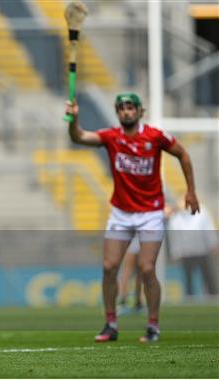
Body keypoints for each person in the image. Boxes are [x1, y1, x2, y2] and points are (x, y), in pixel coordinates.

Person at [66, 92, 200, 343]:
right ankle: (110, 323)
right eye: (121, 108)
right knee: (108, 267)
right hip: (121, 213)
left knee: (147, 268)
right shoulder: (111, 137)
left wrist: (190, 191)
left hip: (150, 213)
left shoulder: (155, 136)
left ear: (140, 112)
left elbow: (183, 154)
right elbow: (79, 136)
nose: (126, 111)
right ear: (118, 113)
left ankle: (153, 325)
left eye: (130, 107)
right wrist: (73, 120)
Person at [166, 200, 218, 297]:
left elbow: (208, 228)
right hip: (187, 253)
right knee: (188, 278)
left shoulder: (202, 211)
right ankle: (189, 298)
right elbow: (174, 236)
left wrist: (213, 244)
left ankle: (213, 296)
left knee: (208, 276)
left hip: (203, 251)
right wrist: (176, 253)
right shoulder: (176, 217)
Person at [118, 237, 144, 315]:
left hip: (136, 240)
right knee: (129, 272)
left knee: (134, 273)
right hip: (136, 239)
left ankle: (136, 303)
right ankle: (125, 302)